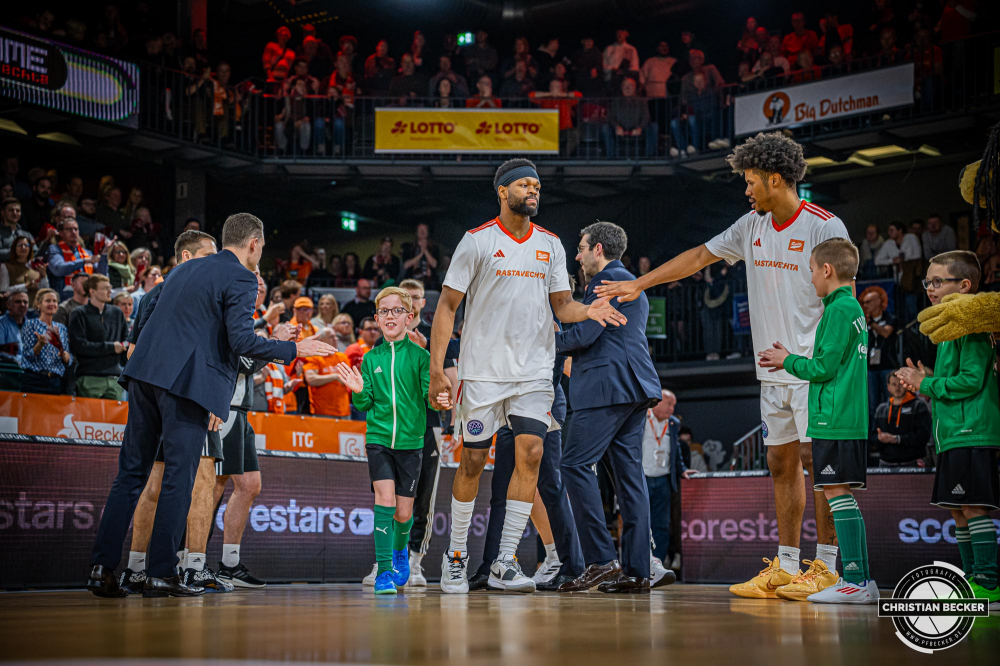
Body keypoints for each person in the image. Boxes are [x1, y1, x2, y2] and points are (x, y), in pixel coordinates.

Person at [597, 132, 848, 598]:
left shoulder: (823, 226)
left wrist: (827, 360)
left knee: (818, 462)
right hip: (771, 370)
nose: (746, 190)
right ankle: (787, 567)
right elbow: (698, 256)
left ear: (776, 179)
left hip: (814, 369)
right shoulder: (749, 226)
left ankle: (828, 567)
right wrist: (640, 284)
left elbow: (842, 300)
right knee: (780, 462)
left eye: (751, 181)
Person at [86, 213, 333, 599]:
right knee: (177, 480)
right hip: (185, 385)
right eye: (263, 247)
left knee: (130, 475)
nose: (260, 254)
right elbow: (240, 341)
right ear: (253, 243)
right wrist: (293, 349)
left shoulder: (183, 270)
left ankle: (101, 569)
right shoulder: (242, 277)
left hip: (143, 376)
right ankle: (160, 575)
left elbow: (154, 317)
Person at [430, 158, 623, 594]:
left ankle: (503, 561)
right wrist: (439, 369)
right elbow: (446, 307)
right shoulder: (477, 241)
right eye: (524, 184)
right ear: (502, 191)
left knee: (532, 455)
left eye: (537, 185)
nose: (533, 190)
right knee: (474, 461)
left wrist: (588, 310)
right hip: (483, 371)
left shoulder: (551, 244)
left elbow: (562, 306)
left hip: (535, 373)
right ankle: (456, 555)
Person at [759, 238, 876, 603]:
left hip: (835, 419)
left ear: (827, 270)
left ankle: (856, 580)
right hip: (844, 417)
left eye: (811, 270)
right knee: (841, 496)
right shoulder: (849, 308)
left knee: (839, 495)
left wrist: (786, 360)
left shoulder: (839, 310)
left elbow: (823, 367)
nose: (810, 278)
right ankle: (860, 580)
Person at [116, 231, 232, 595]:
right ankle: (147, 569)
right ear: (185, 256)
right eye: (207, 255)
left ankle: (180, 566)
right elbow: (139, 348)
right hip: (177, 394)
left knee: (195, 482)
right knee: (163, 482)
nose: (215, 262)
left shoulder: (203, 292)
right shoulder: (161, 292)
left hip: (190, 391)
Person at [552, 222, 660, 594]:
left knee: (573, 464)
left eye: (581, 249)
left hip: (605, 388)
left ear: (598, 249)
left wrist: (540, 341)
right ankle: (637, 571)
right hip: (634, 387)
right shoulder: (629, 281)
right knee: (629, 479)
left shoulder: (605, 283)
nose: (577, 257)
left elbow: (583, 334)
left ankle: (600, 560)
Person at [896, 251, 1000, 605]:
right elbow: (953, 382)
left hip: (971, 430)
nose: (930, 288)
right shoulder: (948, 329)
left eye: (938, 281)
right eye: (928, 282)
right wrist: (926, 380)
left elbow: (971, 381)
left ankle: (987, 581)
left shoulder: (969, 325)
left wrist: (925, 384)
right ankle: (973, 578)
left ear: (965, 286)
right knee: (958, 510)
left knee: (972, 507)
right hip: (953, 433)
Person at [336, 287, 449, 594]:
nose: (389, 316)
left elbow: (432, 397)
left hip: (412, 444)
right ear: (376, 317)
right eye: (383, 311)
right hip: (379, 441)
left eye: (396, 311)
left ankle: (401, 552)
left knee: (404, 513)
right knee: (384, 502)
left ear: (409, 318)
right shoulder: (371, 357)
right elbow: (364, 403)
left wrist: (441, 398)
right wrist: (358, 388)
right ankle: (384, 571)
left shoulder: (422, 357)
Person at [214, 270, 286, 590]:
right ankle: (190, 560)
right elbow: (243, 363)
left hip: (240, 410)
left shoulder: (251, 320)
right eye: (253, 284)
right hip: (223, 408)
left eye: (262, 286)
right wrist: (275, 343)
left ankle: (229, 564)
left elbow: (250, 359)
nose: (258, 289)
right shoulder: (232, 316)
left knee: (250, 485)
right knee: (212, 487)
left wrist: (271, 340)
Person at [642, 389, 694, 571]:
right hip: (643, 479)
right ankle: (639, 563)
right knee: (640, 522)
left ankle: (658, 563)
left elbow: (676, 450)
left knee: (662, 524)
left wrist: (682, 470)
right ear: (657, 402)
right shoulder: (641, 418)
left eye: (674, 405)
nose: (672, 409)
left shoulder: (674, 423)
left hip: (663, 480)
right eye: (669, 404)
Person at [69, 275, 129, 400]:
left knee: (115, 420)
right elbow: (79, 346)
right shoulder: (79, 313)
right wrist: (111, 348)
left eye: (110, 288)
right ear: (92, 291)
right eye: (105, 288)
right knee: (87, 419)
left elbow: (126, 341)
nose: (110, 291)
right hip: (89, 378)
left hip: (114, 379)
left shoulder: (117, 313)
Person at [870, 373, 932, 467]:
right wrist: (879, 439)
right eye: (894, 384)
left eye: (900, 384)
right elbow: (873, 436)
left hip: (912, 463)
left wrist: (897, 439)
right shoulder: (881, 410)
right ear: (888, 387)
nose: (897, 388)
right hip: (885, 464)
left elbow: (923, 436)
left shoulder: (918, 406)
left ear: (906, 385)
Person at [19, 288, 72, 394]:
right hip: (34, 380)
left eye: (54, 301)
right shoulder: (31, 324)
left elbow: (67, 359)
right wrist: (40, 345)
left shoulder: (61, 328)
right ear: (38, 304)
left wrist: (65, 357)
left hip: (55, 381)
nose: (52, 304)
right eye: (48, 301)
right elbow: (26, 355)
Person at [46, 219, 110, 301]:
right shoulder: (54, 249)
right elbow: (58, 269)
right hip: (64, 298)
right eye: (69, 229)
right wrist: (84, 261)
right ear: (61, 233)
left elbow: (101, 275)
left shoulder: (87, 253)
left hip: (87, 297)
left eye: (76, 229)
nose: (73, 232)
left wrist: (104, 254)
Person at [860, 286, 897, 415]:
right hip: (870, 368)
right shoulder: (862, 321)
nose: (865, 305)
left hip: (887, 365)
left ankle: (890, 429)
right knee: (872, 404)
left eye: (868, 302)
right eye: (863, 303)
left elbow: (886, 332)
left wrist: (871, 324)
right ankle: (874, 433)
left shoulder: (890, 317)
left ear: (877, 301)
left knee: (890, 400)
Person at [302, 327, 351, 418]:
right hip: (322, 412)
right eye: (331, 337)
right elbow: (311, 379)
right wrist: (335, 377)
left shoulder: (343, 357)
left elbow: (350, 379)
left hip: (344, 411)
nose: (335, 339)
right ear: (321, 340)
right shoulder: (314, 357)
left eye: (335, 336)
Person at [1, 235, 46, 304]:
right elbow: (3, 290)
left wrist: (43, 277)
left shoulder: (37, 266)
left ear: (30, 248)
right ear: (14, 248)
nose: (23, 247)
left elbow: (45, 291)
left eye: (26, 245)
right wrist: (25, 286)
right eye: (20, 245)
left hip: (35, 309)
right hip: (16, 309)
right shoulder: (6, 266)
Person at [400, 223, 440, 288]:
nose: (422, 232)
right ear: (416, 232)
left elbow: (434, 264)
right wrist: (420, 254)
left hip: (429, 282)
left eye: (424, 230)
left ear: (428, 232)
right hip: (412, 281)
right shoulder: (409, 247)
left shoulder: (434, 248)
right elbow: (406, 265)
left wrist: (425, 250)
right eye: (420, 230)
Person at [0, 197, 34, 263]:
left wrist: (46, 243)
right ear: (3, 213)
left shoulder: (26, 234)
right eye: (11, 210)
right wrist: (17, 250)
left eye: (18, 211)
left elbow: (35, 253)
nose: (15, 213)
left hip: (24, 271)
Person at [0, 291, 29, 360]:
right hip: (9, 368)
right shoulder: (1, 323)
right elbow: (2, 352)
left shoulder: (32, 326)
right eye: (18, 302)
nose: (22, 305)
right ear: (8, 305)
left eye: (25, 302)